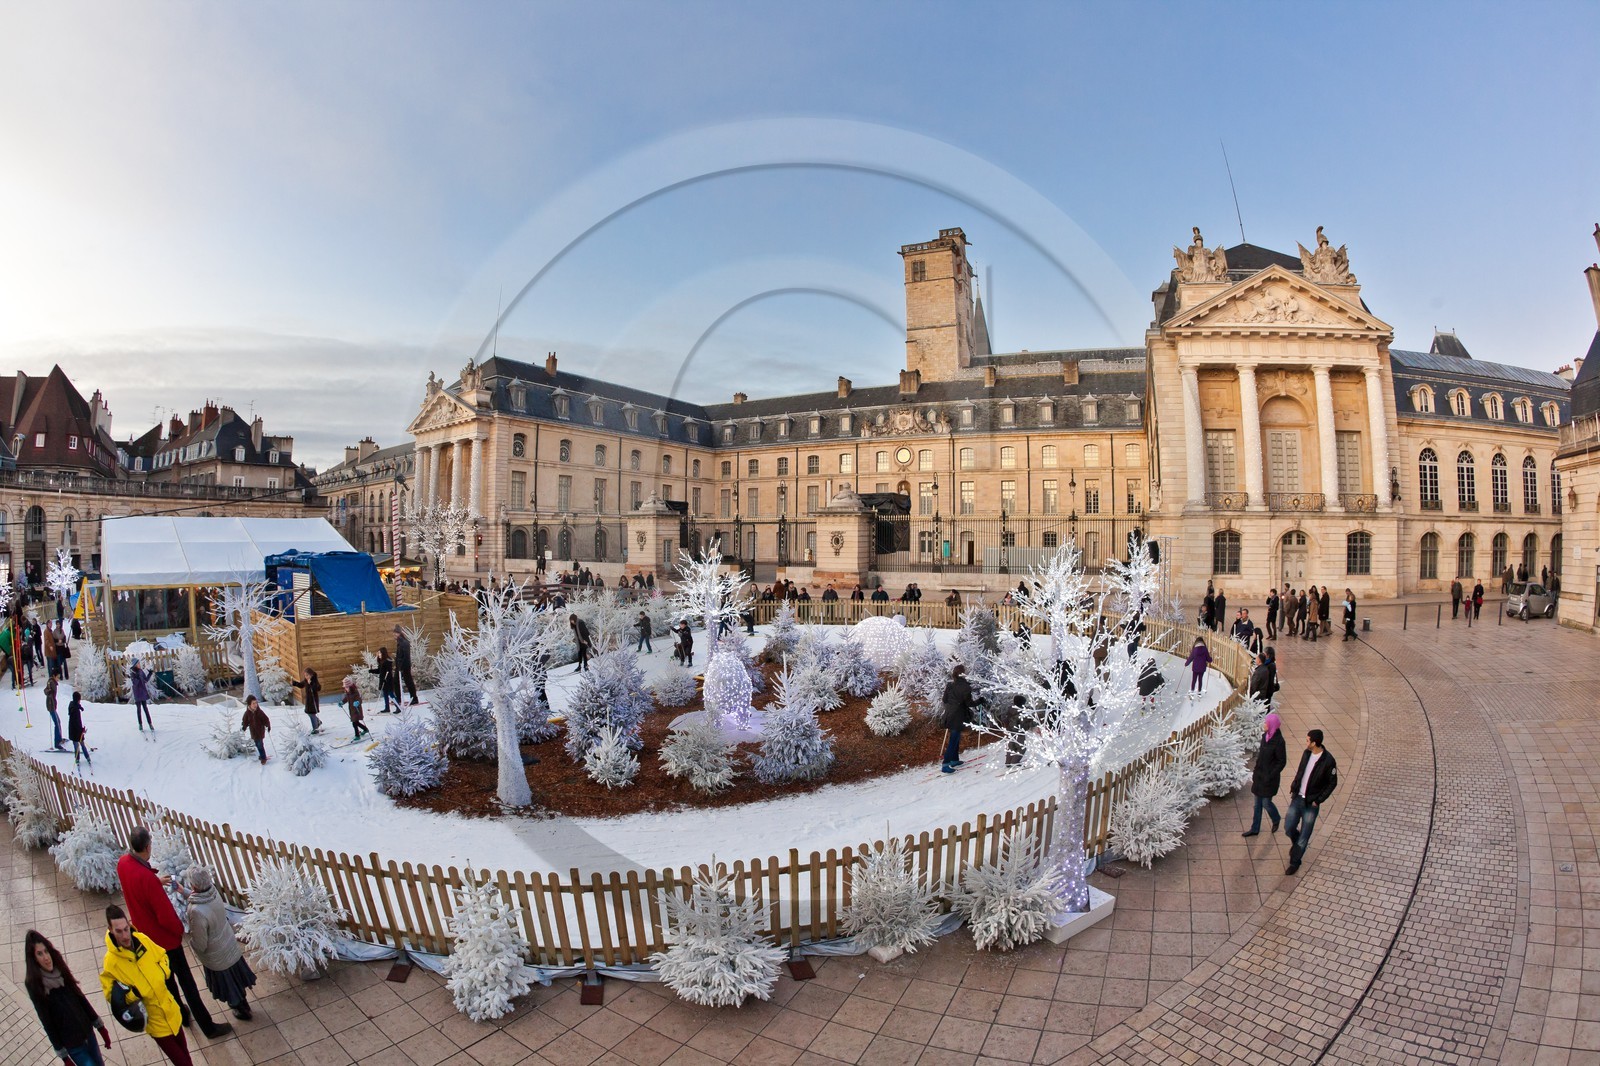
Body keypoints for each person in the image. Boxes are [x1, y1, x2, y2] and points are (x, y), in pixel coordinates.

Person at [115, 828, 231, 1040]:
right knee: (188, 983)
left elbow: (135, 885)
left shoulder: (123, 863)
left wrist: (154, 881)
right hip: (165, 942)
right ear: (148, 846)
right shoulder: (146, 877)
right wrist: (179, 930)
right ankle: (208, 1027)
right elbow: (165, 916)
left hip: (146, 939)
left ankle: (182, 1015)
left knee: (168, 983)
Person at [99, 905, 194, 1066]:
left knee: (186, 1057)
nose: (125, 935)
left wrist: (163, 973)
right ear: (110, 930)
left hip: (173, 1011)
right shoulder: (110, 963)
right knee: (183, 1063)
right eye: (119, 931)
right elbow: (112, 997)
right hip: (156, 1024)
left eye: (126, 929)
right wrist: (135, 993)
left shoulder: (142, 939)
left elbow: (162, 955)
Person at [25, 929, 112, 1066]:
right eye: (40, 954)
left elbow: (80, 997)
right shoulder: (35, 984)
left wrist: (100, 1026)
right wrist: (64, 1056)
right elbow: (47, 1021)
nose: (46, 957)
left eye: (46, 951)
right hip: (72, 1044)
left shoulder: (60, 967)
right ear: (34, 958)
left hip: (88, 1033)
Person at [182, 867, 256, 1022]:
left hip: (216, 956)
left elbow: (201, 943)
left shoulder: (195, 911)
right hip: (229, 946)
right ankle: (244, 1003)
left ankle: (241, 1010)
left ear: (194, 885)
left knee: (228, 985)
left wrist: (192, 945)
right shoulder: (213, 893)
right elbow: (202, 900)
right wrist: (183, 891)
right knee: (237, 979)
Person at [1283, 729, 1339, 875]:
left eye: (1308, 740)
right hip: (1297, 798)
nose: (1305, 742)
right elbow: (1301, 772)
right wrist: (1295, 786)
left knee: (1304, 836)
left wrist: (1318, 800)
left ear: (1314, 743)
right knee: (1289, 827)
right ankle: (1297, 847)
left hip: (1311, 804)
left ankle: (1295, 862)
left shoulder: (1328, 761)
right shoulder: (1306, 753)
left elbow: (1332, 783)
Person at [1242, 712, 1287, 838]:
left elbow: (1281, 761)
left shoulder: (1279, 742)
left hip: (1269, 779)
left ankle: (1276, 818)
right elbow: (1261, 756)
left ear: (1271, 725)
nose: (1264, 724)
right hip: (1260, 776)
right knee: (1257, 804)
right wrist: (1256, 770)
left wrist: (1270, 774)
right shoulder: (1265, 737)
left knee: (1266, 803)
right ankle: (1255, 828)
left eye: (1266, 723)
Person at [939, 664, 975, 774]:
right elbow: (969, 703)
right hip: (958, 716)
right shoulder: (966, 687)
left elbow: (945, 700)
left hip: (949, 715)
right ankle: (945, 764)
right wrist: (980, 701)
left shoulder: (950, 685)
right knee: (953, 740)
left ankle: (954, 760)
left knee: (956, 737)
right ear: (963, 674)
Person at [393, 626, 419, 705]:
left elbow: (405, 656)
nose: (393, 635)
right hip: (400, 666)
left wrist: (401, 666)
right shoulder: (400, 642)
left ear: (398, 633)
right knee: (397, 681)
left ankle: (414, 698)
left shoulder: (404, 643)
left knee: (408, 682)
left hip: (404, 666)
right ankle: (399, 698)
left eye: (395, 634)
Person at [240, 696, 270, 765]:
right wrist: (244, 727)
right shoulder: (247, 713)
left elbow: (266, 719)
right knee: (257, 744)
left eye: (256, 703)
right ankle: (261, 755)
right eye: (253, 703)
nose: (255, 705)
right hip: (253, 732)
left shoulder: (259, 712)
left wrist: (268, 725)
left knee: (260, 745)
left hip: (260, 731)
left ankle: (263, 758)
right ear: (249, 704)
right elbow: (245, 721)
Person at [291, 668, 322, 732]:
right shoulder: (306, 680)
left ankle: (315, 729)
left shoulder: (314, 681)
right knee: (308, 712)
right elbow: (301, 685)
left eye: (307, 675)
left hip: (313, 700)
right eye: (305, 675)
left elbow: (318, 688)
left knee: (311, 713)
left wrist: (311, 684)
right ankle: (318, 721)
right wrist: (294, 683)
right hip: (308, 700)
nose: (306, 677)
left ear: (311, 675)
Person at [68, 691, 91, 770]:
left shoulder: (72, 706)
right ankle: (87, 757)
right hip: (77, 732)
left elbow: (76, 706)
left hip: (72, 730)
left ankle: (77, 759)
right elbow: (77, 722)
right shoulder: (76, 711)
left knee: (76, 746)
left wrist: (80, 707)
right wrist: (82, 730)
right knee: (81, 745)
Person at [45, 674, 68, 751]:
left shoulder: (52, 682)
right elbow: (47, 691)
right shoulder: (51, 683)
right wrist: (50, 694)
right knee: (57, 723)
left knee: (58, 722)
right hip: (51, 705)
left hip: (52, 705)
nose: (58, 678)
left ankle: (59, 739)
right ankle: (57, 743)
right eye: (58, 677)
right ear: (54, 676)